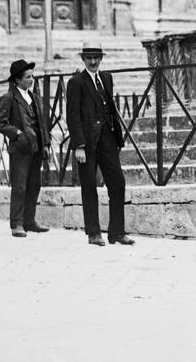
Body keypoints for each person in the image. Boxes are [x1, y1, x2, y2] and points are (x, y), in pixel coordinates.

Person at [66, 41, 134, 246]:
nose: (93, 61)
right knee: (89, 186)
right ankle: (93, 233)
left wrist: (117, 139)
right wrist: (78, 145)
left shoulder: (106, 78)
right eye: (89, 58)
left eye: (96, 57)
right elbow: (72, 116)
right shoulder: (76, 82)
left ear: (101, 58)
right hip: (87, 144)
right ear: (83, 59)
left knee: (118, 183)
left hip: (107, 141)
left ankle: (117, 232)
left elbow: (110, 109)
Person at [0, 59, 50, 237]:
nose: (31, 80)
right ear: (17, 80)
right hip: (20, 150)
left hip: (36, 148)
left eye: (32, 76)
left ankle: (29, 221)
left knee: (34, 185)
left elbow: (41, 123)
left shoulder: (33, 97)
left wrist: (46, 144)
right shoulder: (9, 98)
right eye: (27, 77)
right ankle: (16, 224)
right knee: (19, 187)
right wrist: (17, 133)